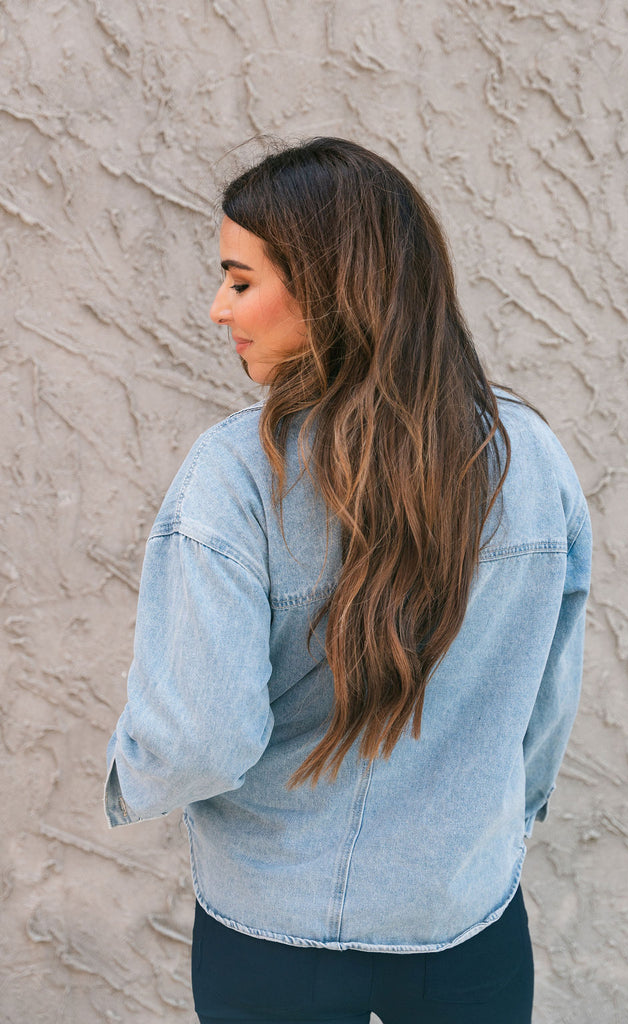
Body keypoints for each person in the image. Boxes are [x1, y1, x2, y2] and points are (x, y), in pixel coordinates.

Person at [105, 137, 591, 1024]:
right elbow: (546, 695)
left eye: (240, 281)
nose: (218, 309)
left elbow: (198, 741)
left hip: (273, 930)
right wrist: (501, 824)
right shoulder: (527, 456)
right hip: (461, 916)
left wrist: (127, 781)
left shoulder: (235, 477)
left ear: (331, 289)